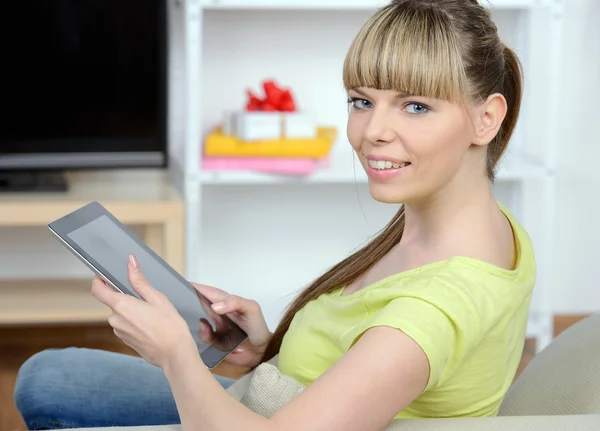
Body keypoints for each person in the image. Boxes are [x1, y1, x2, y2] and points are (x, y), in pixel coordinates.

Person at [14, 0, 536, 429]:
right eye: (361, 101)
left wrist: (176, 353)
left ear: (486, 118)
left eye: (415, 106)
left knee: (49, 394)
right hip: (270, 392)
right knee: (44, 376)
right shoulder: (479, 223)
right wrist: (264, 351)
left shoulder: (436, 307)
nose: (372, 131)